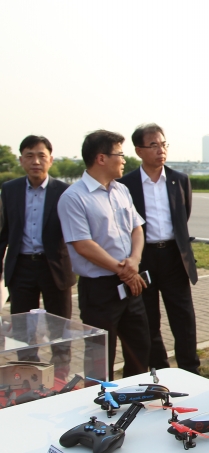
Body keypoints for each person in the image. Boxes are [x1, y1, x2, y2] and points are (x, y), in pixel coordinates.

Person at [58, 130, 150, 380]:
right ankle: (101, 408)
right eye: (119, 154)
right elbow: (83, 245)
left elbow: (137, 228)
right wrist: (124, 270)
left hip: (131, 283)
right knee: (100, 358)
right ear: (101, 158)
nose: (123, 160)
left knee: (139, 348)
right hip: (99, 289)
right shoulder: (74, 197)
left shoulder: (121, 190)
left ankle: (136, 399)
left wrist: (134, 261)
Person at [118, 124, 200, 374]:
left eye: (163, 144)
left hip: (174, 256)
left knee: (183, 316)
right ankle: (161, 369)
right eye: (153, 145)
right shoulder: (126, 184)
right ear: (139, 150)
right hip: (144, 257)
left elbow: (183, 217)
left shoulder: (179, 179)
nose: (160, 150)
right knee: (148, 318)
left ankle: (190, 369)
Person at [0, 135, 76, 376]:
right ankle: (29, 376)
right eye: (29, 156)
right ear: (21, 160)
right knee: (23, 328)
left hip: (54, 267)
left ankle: (61, 376)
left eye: (41, 156)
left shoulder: (64, 192)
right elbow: (3, 232)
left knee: (60, 327)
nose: (36, 161)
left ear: (50, 160)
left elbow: (75, 233)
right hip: (21, 267)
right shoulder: (9, 190)